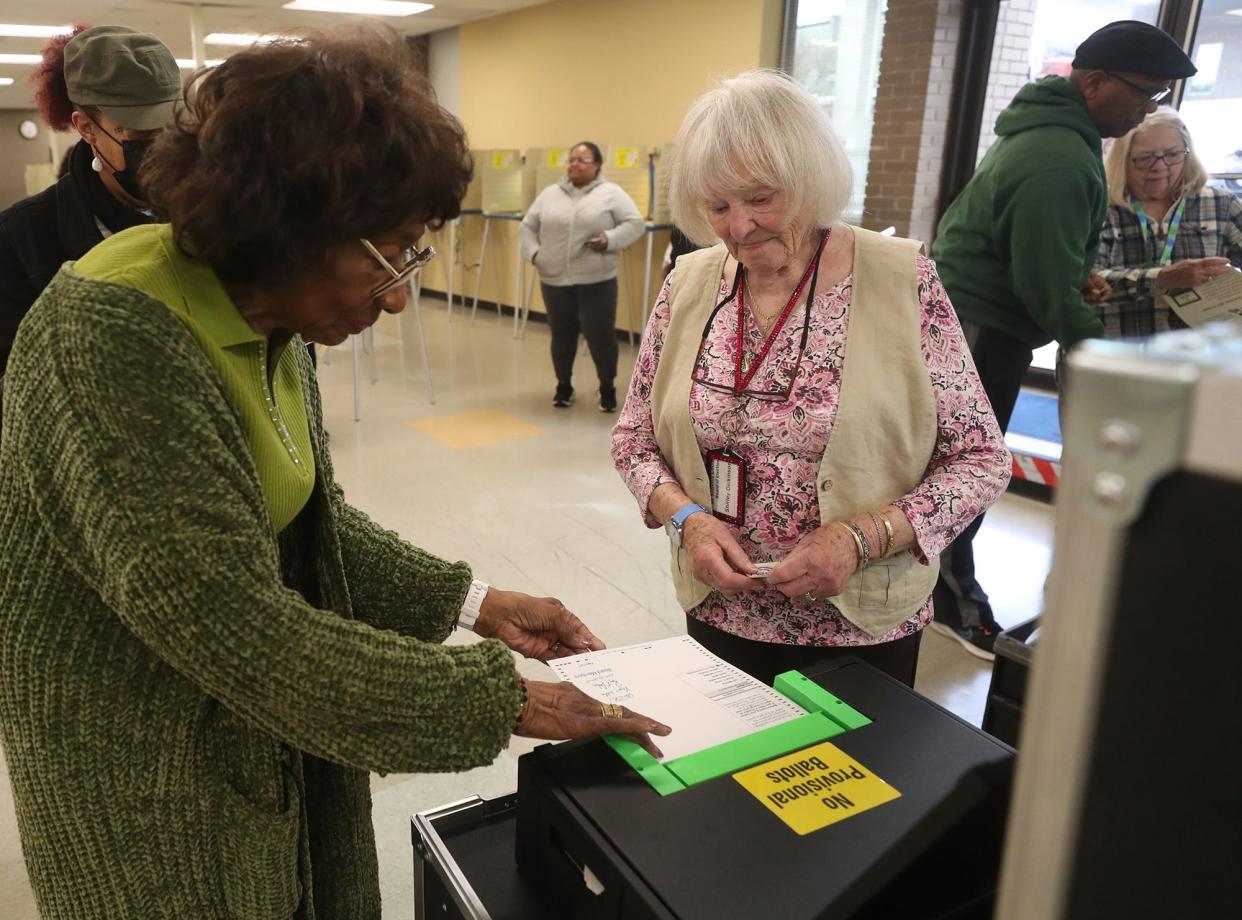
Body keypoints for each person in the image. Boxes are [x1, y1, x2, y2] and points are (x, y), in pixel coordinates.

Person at [0, 32, 668, 919]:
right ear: (290, 228)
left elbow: (307, 514)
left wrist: (478, 603)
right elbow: (232, 626)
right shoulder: (116, 333)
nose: (399, 295)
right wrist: (504, 699)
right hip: (144, 756)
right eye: (388, 253)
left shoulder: (271, 313)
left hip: (258, 723)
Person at [610, 70, 1011, 689]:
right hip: (720, 609)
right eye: (718, 206)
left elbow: (981, 460)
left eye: (761, 198)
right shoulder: (687, 284)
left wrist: (859, 539)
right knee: (726, 782)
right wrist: (688, 519)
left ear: (810, 179)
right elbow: (634, 439)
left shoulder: (900, 280)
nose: (739, 227)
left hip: (861, 623)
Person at [929, 20, 1197, 658]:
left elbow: (1043, 259)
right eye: (1145, 94)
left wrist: (1082, 280)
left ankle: (940, 590)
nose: (1146, 113)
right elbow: (1041, 281)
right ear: (1095, 81)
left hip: (979, 323)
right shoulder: (1057, 155)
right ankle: (950, 602)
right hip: (980, 329)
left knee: (955, 466)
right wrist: (1094, 349)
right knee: (965, 471)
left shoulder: (1052, 136)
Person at [0, 24, 178, 379]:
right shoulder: (20, 240)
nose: (161, 146)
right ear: (86, 128)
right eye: (140, 131)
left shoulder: (214, 214)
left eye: (170, 126)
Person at [1095, 107, 1241, 337]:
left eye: (1172, 155)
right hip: (1116, 358)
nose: (1160, 167)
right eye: (1145, 158)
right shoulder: (1100, 209)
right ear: (1121, 160)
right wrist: (1162, 279)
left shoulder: (1220, 203)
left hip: (1197, 358)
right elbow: (1087, 284)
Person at [521, 141, 644, 411]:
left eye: (582, 159)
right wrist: (535, 255)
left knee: (600, 336)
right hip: (554, 279)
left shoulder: (611, 193)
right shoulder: (550, 193)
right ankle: (563, 386)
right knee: (561, 335)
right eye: (572, 159)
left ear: (597, 165)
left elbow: (635, 224)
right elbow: (528, 226)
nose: (574, 164)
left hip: (596, 280)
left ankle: (607, 387)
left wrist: (609, 239)